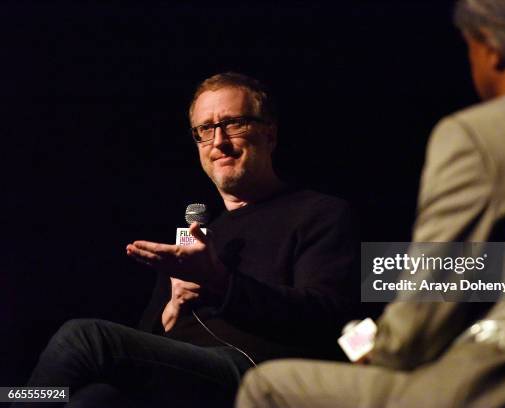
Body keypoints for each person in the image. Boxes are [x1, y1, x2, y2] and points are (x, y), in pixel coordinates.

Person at [236, 1, 505, 407]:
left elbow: (424, 317)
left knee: (267, 386)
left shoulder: (477, 135)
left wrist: (370, 345)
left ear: (491, 48)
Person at [20, 72, 360, 407]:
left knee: (85, 338)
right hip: (180, 373)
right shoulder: (196, 237)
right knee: (91, 399)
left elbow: (326, 316)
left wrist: (220, 282)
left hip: (256, 371)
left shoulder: (319, 212)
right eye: (205, 130)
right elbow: (146, 339)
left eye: (234, 123)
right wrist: (172, 308)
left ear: (269, 134)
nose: (218, 142)